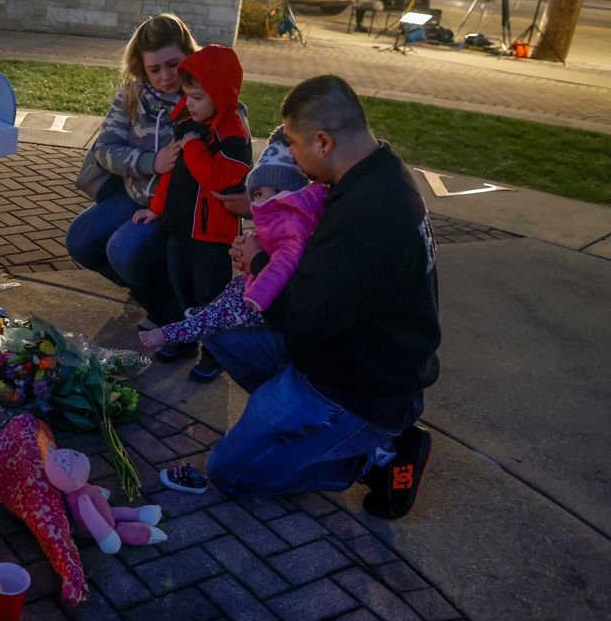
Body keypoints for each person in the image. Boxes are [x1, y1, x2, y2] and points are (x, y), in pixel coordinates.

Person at [184, 75, 440, 520]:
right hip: (340, 348)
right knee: (223, 328)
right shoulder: (377, 172)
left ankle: (377, 455)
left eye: (297, 146)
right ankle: (300, 430)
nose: (296, 161)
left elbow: (301, 315)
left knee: (229, 470)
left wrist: (260, 261)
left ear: (323, 142)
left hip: (359, 388)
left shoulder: (368, 216)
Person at [66, 14, 199, 359]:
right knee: (80, 239)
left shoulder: (203, 94)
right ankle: (148, 292)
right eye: (155, 69)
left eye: (173, 64)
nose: (166, 76)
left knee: (123, 250)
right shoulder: (132, 92)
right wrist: (149, 163)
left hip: (175, 207)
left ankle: (174, 318)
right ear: (142, 67)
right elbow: (105, 150)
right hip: (133, 194)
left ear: (189, 53)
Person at [140, 126, 325, 353]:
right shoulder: (280, 217)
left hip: (265, 301)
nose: (265, 198)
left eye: (275, 190)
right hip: (256, 283)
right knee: (227, 293)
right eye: (258, 193)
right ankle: (205, 315)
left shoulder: (292, 225)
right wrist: (247, 245)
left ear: (295, 192)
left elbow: (284, 264)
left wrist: (257, 298)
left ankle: (171, 333)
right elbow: (268, 245)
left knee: (220, 314)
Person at [132, 44, 251, 381]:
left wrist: (193, 143)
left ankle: (216, 352)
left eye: (197, 98)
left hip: (212, 237)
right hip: (179, 227)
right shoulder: (189, 124)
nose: (190, 104)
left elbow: (216, 177)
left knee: (209, 296)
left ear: (219, 93)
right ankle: (185, 339)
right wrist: (157, 208)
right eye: (188, 96)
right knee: (181, 286)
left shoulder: (232, 133)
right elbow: (173, 172)